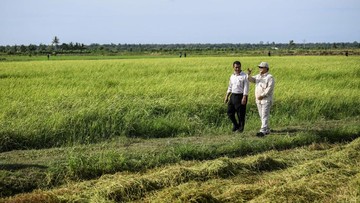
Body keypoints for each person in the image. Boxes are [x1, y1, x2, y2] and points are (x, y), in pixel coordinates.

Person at [247, 62, 275, 137]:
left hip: (266, 99)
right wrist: (249, 74)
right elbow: (251, 80)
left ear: (266, 68)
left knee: (264, 115)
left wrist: (262, 95)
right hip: (258, 99)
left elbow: (269, 88)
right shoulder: (258, 76)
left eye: (262, 67)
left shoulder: (270, 77)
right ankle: (267, 129)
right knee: (261, 115)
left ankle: (262, 131)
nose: (260, 69)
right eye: (259, 67)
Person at [224, 61, 249, 132]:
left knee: (240, 114)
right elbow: (230, 87)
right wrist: (226, 96)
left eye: (239, 67)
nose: (237, 69)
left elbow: (246, 88)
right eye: (236, 67)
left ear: (240, 67)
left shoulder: (244, 76)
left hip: (241, 95)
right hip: (233, 95)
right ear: (233, 67)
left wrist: (244, 97)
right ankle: (236, 125)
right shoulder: (232, 76)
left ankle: (241, 129)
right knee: (229, 112)